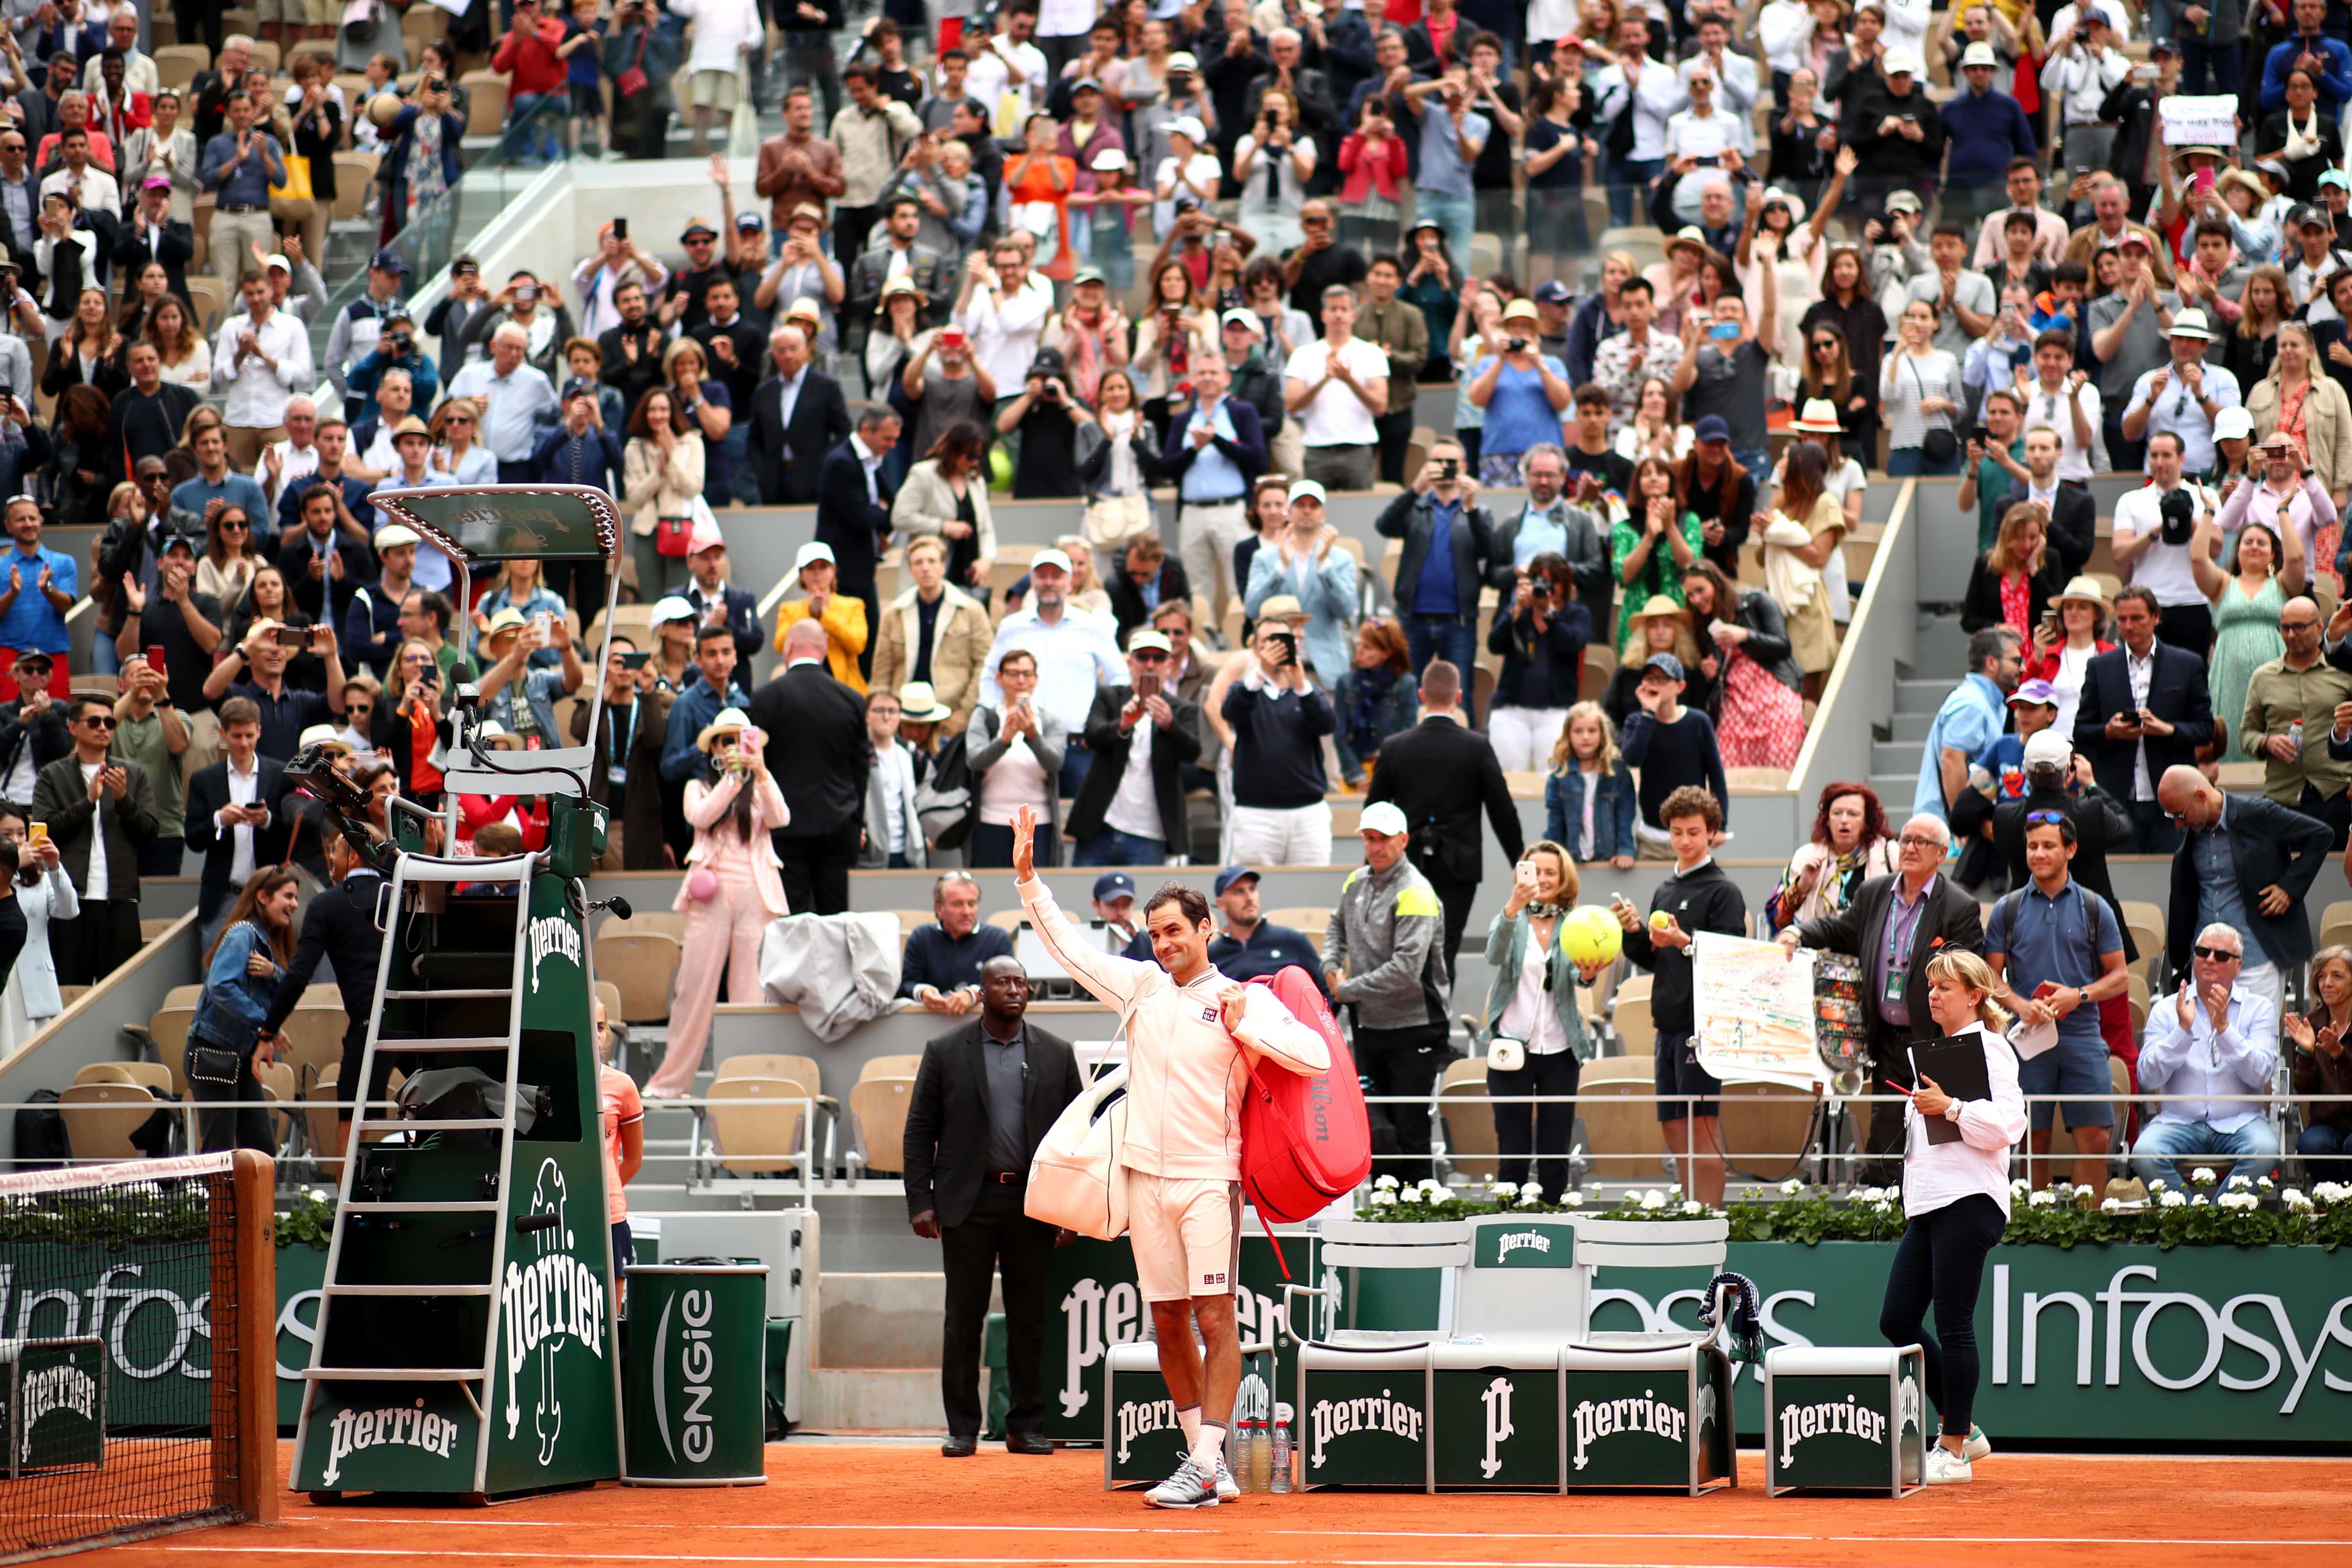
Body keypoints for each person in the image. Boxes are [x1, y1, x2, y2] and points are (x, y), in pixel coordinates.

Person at [1009, 799, 1327, 1509]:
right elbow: (1066, 948)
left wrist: (1256, 1030)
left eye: (1176, 930)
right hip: (1143, 1180)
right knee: (1166, 1322)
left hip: (1209, 1181)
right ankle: (1204, 1461)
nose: (1164, 943)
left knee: (1216, 1318)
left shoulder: (1241, 996)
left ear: (1206, 927)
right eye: (1155, 934)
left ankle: (1207, 1459)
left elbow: (1311, 1058)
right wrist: (1030, 880)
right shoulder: (1141, 986)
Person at [903, 948, 1082, 1457]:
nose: (1014, 990)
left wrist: (1071, 1209)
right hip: (967, 1200)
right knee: (964, 1316)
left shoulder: (1056, 1051)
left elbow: (1077, 1138)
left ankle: (1025, 1424)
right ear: (982, 992)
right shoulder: (944, 1050)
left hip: (1034, 1201)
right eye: (1003, 983)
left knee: (1030, 1317)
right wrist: (921, 1199)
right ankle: (962, 1425)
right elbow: (919, 1130)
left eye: (1021, 983)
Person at [1863, 946, 2019, 1486]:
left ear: (1974, 995)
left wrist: (1950, 1107)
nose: (1931, 994)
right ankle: (1966, 1427)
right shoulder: (1933, 1050)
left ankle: (1953, 1449)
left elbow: (2007, 1127)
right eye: (1929, 985)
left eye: (1944, 986)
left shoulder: (1992, 1048)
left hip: (1968, 1200)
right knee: (1895, 1319)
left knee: (1953, 1324)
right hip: (1930, 1204)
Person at [1782, 811, 1987, 1184]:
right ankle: (1886, 1214)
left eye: (1920, 842)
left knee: (1936, 1137)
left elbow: (1969, 974)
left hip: (1935, 1040)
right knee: (1888, 1134)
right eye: (1905, 839)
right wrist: (1797, 932)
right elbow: (1839, 928)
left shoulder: (1959, 906)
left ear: (1941, 853)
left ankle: (1930, 1210)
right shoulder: (1874, 892)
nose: (1910, 847)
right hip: (1885, 1039)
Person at [644, 708, 790, 1100]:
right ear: (712, 748)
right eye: (724, 741)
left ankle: (749, 1084)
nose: (732, 748)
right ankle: (670, 1084)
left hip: (755, 896)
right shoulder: (700, 785)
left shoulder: (760, 784)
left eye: (739, 740)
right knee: (693, 990)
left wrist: (759, 772)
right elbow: (700, 816)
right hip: (709, 897)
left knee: (750, 994)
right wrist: (732, 778)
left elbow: (781, 818)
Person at [1614, 785, 1746, 1205]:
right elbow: (1655, 959)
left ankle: (1709, 1222)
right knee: (1673, 1128)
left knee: (1702, 1127)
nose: (1685, 840)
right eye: (1676, 832)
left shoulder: (1723, 891)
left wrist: (1683, 940)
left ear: (1712, 833)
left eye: (1693, 831)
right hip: (1667, 1024)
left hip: (1702, 1028)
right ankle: (1691, 1212)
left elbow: (1730, 959)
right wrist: (1633, 930)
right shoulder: (1664, 888)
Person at [1985, 813, 2131, 1190]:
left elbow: (2119, 977)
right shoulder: (2007, 908)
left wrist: (2077, 995)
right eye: (2032, 846)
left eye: (2048, 845)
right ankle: (2037, 1228)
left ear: (2070, 850)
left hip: (2082, 1035)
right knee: (2033, 1141)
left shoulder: (2095, 906)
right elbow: (1989, 977)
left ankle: (2088, 1231)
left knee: (2095, 1140)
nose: (2038, 854)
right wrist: (2019, 1006)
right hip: (2028, 1037)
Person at [1365, 659, 1522, 970]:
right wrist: (1519, 861)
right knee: (1445, 951)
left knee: (1404, 950)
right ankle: (1437, 1019)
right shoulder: (1477, 747)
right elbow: (1502, 809)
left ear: (1422, 696)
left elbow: (1374, 812)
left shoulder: (1394, 747)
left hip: (1405, 864)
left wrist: (1371, 862)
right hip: (1459, 867)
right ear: (1459, 697)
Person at [1323, 797, 1448, 1184]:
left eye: (1383, 838)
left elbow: (1406, 971)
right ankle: (1380, 1218)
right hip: (1369, 1027)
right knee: (1375, 1130)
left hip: (1415, 1027)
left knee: (1410, 1130)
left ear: (1404, 840)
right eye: (1368, 838)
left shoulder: (1417, 891)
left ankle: (1419, 1223)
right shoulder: (1355, 881)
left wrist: (1346, 990)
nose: (1375, 846)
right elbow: (1335, 927)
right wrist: (1329, 963)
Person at [2156, 765, 2332, 1029]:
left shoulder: (2258, 814)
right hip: (2204, 963)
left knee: (2257, 1051)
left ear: (2201, 797)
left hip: (2255, 960)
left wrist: (2289, 888)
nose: (2179, 823)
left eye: (2181, 814)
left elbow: (2321, 835)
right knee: (2202, 1051)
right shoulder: (2193, 832)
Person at [1478, 841, 1599, 1202]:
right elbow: (1493, 955)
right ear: (1521, 875)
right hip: (1511, 1047)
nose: (1543, 879)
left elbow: (1579, 975)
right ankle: (1508, 1223)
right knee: (1512, 1147)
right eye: (1536, 871)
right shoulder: (1510, 919)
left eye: (1551, 872)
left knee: (1555, 1149)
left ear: (1563, 878)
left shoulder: (1575, 922)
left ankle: (1552, 1223)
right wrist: (1511, 909)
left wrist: (1589, 975)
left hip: (1560, 1048)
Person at [258, 826, 384, 1151]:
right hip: (417, 1026)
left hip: (368, 1025)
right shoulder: (405, 893)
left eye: (336, 852)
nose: (330, 860)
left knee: (352, 1121)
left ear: (353, 855)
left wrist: (267, 1031)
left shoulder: (327, 905)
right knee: (424, 1109)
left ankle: (352, 1202)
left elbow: (299, 975)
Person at [2133, 920, 2285, 1186]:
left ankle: (2211, 1220)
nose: (2210, 960)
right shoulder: (2167, 1009)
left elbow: (2260, 1074)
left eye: (2221, 955)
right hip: (2178, 1122)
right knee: (2144, 1154)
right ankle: (2190, 1220)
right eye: (2203, 952)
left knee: (2265, 1151)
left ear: (2238, 966)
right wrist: (2182, 1031)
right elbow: (2147, 1078)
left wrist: (2225, 1030)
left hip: (2242, 1122)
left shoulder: (2259, 1009)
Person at [2074, 588, 2215, 852]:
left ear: (2156, 618)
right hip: (2118, 798)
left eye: (2137, 618)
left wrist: (2168, 730)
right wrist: (2109, 731)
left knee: (2173, 880)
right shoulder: (2099, 667)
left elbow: (2206, 730)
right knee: (2123, 882)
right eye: (2122, 619)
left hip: (2174, 799)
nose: (2128, 626)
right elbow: (2081, 732)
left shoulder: (2187, 664)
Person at [33, 694, 158, 984]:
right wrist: (88, 802)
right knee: (68, 991)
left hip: (120, 900)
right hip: (70, 901)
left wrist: (124, 799)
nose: (103, 728)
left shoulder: (133, 775)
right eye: (94, 721)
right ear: (73, 728)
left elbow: (150, 832)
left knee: (120, 992)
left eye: (110, 722)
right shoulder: (53, 775)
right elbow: (45, 830)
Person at [747, 620, 869, 917]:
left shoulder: (766, 698)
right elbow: (861, 769)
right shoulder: (852, 700)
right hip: (839, 825)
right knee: (836, 916)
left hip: (784, 827)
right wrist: (856, 818)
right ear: (824, 652)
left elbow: (756, 765)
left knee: (790, 916)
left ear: (788, 649)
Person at [1067, 630, 1201, 866]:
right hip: (1101, 826)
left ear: (1169, 665)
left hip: (1150, 833)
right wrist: (1123, 725)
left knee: (1147, 903)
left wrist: (1170, 726)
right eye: (1143, 657)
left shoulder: (1182, 709)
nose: (1150, 664)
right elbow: (1091, 735)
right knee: (1084, 897)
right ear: (1131, 662)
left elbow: (1193, 753)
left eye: (1158, 658)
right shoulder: (1110, 697)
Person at [189, 864, 298, 1153]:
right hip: (213, 1053)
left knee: (261, 1149)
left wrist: (273, 971)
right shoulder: (243, 934)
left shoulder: (269, 942)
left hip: (239, 1056)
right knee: (220, 1154)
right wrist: (266, 1025)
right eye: (288, 896)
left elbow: (290, 986)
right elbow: (221, 986)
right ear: (262, 897)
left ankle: (250, 1201)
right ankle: (217, 1202)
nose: (295, 904)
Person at [1221, 616, 1336, 866]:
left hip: (1308, 814)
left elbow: (1327, 724)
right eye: (1267, 642)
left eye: (1282, 642)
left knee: (1313, 895)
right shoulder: (1245, 689)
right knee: (1252, 895)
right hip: (1256, 816)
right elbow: (1231, 712)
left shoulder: (1310, 691)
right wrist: (1259, 673)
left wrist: (1300, 685)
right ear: (1255, 648)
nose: (1275, 649)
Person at [1376, 441, 1496, 678]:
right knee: (1409, 692)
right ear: (1427, 466)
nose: (1444, 467)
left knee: (1460, 696)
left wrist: (1470, 507)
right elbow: (1384, 526)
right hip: (1413, 620)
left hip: (1458, 622)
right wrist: (1415, 489)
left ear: (1463, 467)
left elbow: (1491, 551)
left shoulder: (1478, 512)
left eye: (1450, 463)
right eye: (1437, 462)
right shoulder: (1415, 507)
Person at [2240, 595, 2352, 848]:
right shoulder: (2263, 677)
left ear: (2319, 627)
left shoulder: (2344, 672)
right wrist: (2267, 742)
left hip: (2336, 794)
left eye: (2299, 627)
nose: (2291, 635)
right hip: (2283, 796)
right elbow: (2246, 734)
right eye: (2285, 628)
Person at [183, 694, 290, 938]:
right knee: (216, 969)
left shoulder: (278, 774)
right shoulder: (204, 780)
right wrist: (219, 819)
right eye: (237, 736)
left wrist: (267, 821)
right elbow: (193, 839)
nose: (244, 743)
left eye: (249, 736)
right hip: (222, 897)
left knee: (270, 970)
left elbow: (291, 834)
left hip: (269, 895)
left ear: (259, 732)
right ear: (223, 733)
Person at [573, 636, 671, 871]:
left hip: (638, 818)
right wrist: (604, 691)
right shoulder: (593, 707)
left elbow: (657, 739)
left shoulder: (650, 705)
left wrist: (648, 691)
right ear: (601, 668)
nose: (625, 669)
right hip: (598, 814)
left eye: (631, 662)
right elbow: (581, 731)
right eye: (617, 662)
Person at [963, 649, 1066, 869]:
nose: (1021, 680)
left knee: (1035, 894)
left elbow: (1055, 763)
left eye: (1027, 674)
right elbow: (974, 760)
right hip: (990, 821)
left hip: (1039, 825)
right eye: (1013, 673)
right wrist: (1004, 741)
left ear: (1036, 680)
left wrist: (1032, 735)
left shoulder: (1050, 721)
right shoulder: (986, 717)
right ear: (999, 678)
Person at [1623, 651, 1730, 855]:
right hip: (1651, 837)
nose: (1655, 684)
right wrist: (1648, 713)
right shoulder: (1637, 721)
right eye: (1650, 678)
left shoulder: (1698, 722)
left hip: (1692, 835)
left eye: (1663, 679)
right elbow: (1632, 759)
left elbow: (1716, 775)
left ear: (1680, 686)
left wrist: (1721, 825)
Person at [1918, 626, 2025, 824]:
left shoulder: (1984, 702)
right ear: (1992, 663)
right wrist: (1963, 824)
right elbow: (1951, 761)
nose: (2023, 668)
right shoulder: (1972, 704)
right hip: (1949, 833)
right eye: (2016, 661)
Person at [1769, 781, 1902, 933]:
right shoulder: (1806, 856)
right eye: (1837, 813)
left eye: (1853, 814)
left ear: (1866, 822)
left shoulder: (1890, 854)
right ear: (1827, 819)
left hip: (1871, 951)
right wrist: (1801, 887)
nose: (1844, 820)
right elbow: (1777, 919)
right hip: (1817, 951)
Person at [899, 871, 1016, 1010]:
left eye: (972, 904)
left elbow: (1008, 984)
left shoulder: (998, 939)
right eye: (958, 905)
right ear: (939, 909)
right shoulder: (921, 937)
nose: (967, 912)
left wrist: (974, 994)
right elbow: (908, 983)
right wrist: (923, 992)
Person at [1544, 701, 1637, 870]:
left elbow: (1625, 815)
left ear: (1602, 734)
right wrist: (1554, 855)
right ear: (1568, 735)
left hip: (1609, 857)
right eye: (1578, 731)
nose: (1586, 737)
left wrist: (1625, 849)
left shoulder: (1618, 770)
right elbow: (1555, 821)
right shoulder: (1559, 773)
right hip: (1573, 857)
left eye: (1592, 731)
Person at [2288, 947, 2352, 1170]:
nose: (2327, 983)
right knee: (2313, 1144)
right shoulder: (2311, 1024)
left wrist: (2340, 1055)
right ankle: (2329, 1204)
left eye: (2338, 976)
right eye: (2322, 977)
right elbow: (2305, 1091)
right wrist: (2306, 1053)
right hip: (2326, 1124)